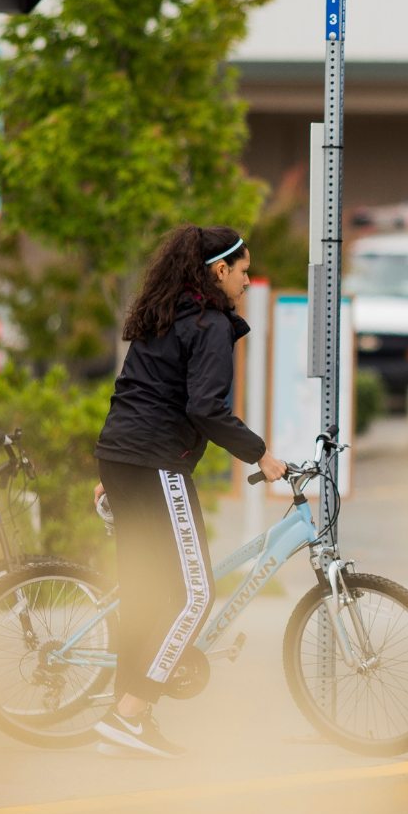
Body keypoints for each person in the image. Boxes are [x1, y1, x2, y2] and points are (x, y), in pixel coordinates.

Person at [91, 225, 287, 758]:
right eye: (243, 271)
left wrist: (111, 467)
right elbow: (206, 408)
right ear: (219, 271)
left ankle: (126, 718)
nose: (246, 282)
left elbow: (132, 390)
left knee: (147, 592)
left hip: (124, 457)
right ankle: (129, 716)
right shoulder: (209, 325)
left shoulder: (165, 311)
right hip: (154, 463)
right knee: (194, 594)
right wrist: (261, 455)